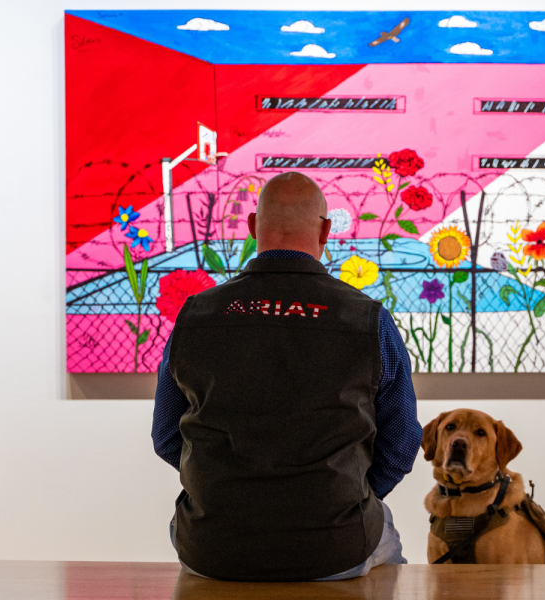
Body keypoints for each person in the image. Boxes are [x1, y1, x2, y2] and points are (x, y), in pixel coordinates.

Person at [151, 172, 423, 581]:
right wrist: (350, 500)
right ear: (326, 230)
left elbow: (167, 437)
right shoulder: (368, 320)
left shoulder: (195, 316)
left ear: (252, 227)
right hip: (336, 546)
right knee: (391, 552)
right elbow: (400, 443)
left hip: (214, 546)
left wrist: (229, 491)